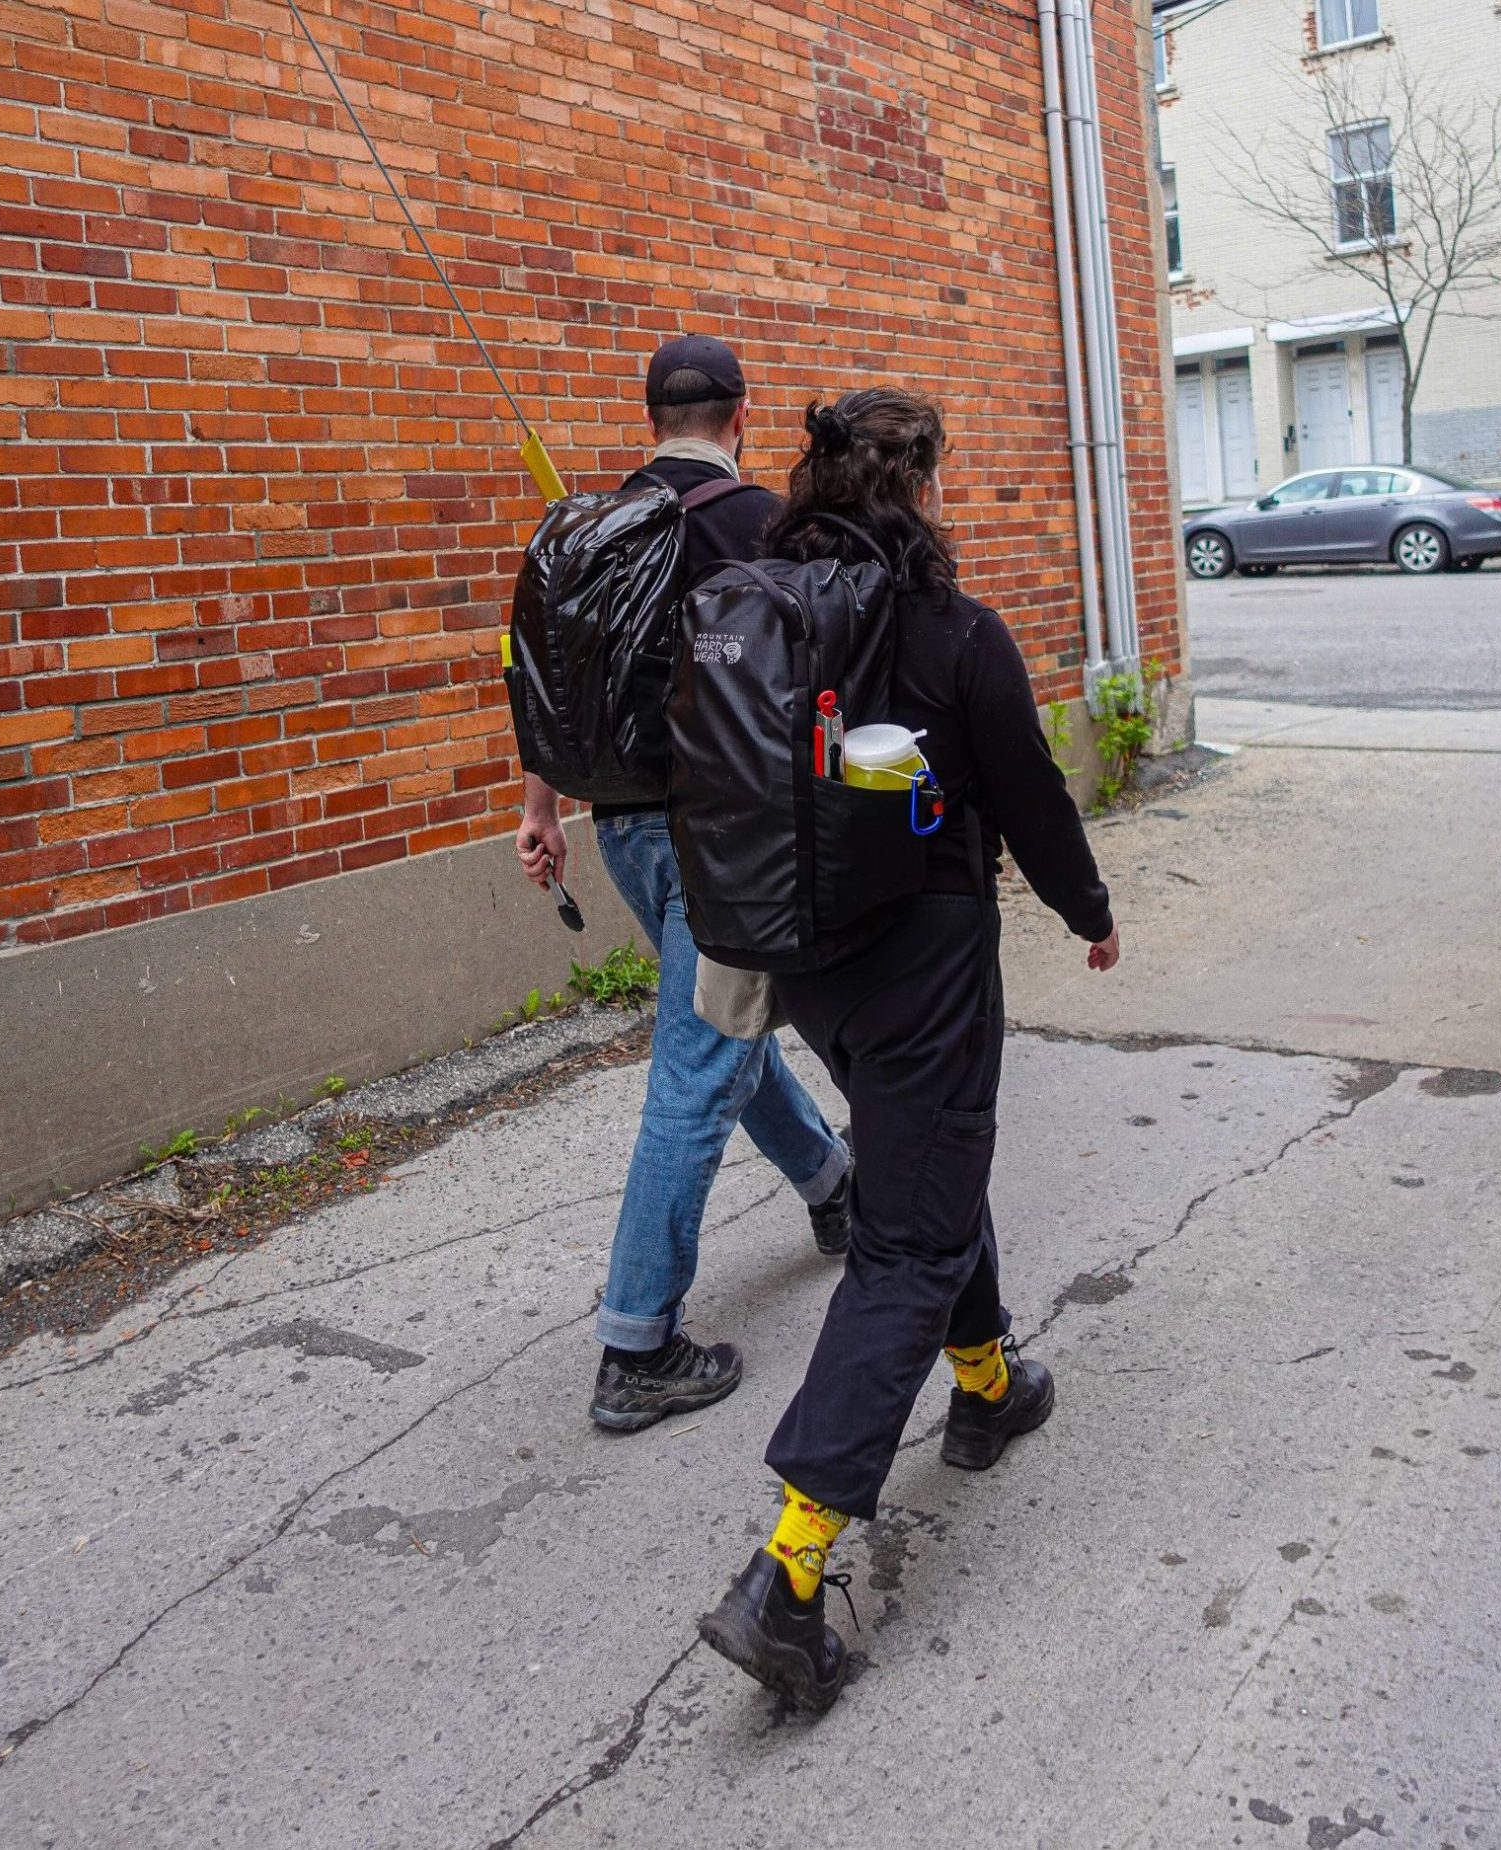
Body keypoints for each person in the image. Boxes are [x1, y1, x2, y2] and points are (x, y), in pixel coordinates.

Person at [698, 387, 1121, 1712]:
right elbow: (1030, 795)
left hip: (804, 960)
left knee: (921, 1156)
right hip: (923, 961)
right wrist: (1090, 912)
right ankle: (786, 1574)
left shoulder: (759, 607)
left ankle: (987, 1385)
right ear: (923, 485)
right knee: (907, 1238)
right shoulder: (953, 629)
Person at [515, 335, 853, 1434]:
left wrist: (538, 809)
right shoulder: (764, 524)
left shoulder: (595, 527)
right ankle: (637, 1345)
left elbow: (546, 678)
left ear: (651, 416)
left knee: (719, 1021)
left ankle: (832, 1186)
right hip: (724, 838)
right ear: (740, 415)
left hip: (619, 826)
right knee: (700, 1066)